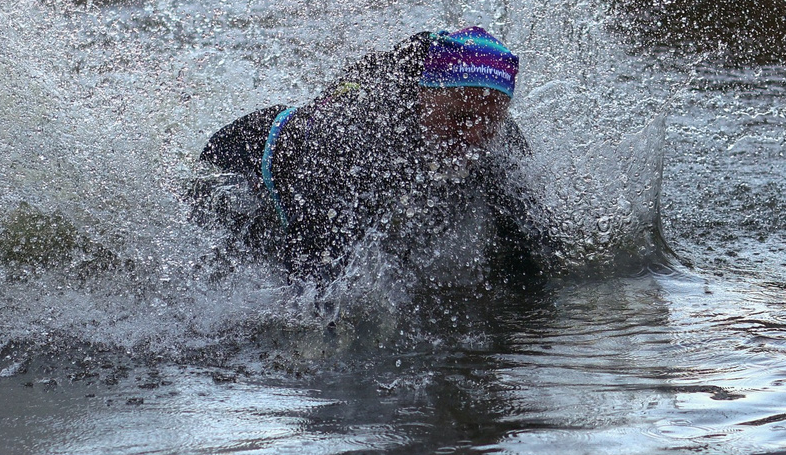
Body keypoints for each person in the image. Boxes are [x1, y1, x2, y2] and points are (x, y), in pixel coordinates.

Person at [192, 27, 555, 282]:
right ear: (422, 100)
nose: (474, 135)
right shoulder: (361, 137)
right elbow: (311, 270)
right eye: (458, 118)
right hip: (242, 163)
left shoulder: (501, 142)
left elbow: (531, 246)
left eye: (488, 121)